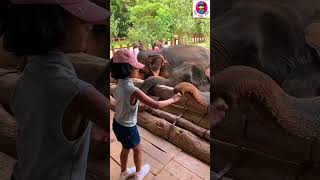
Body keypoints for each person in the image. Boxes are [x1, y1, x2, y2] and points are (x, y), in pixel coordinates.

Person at [2, 0, 109, 180]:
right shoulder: (79, 93)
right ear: (51, 23)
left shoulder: (28, 77)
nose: (89, 25)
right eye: (80, 17)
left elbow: (45, 132)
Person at [110, 49, 182, 180]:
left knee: (125, 148)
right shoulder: (134, 90)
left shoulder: (118, 84)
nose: (138, 70)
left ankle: (123, 172)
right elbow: (156, 105)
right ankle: (138, 173)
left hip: (117, 123)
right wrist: (173, 99)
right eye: (134, 67)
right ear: (128, 69)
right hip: (128, 128)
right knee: (137, 149)